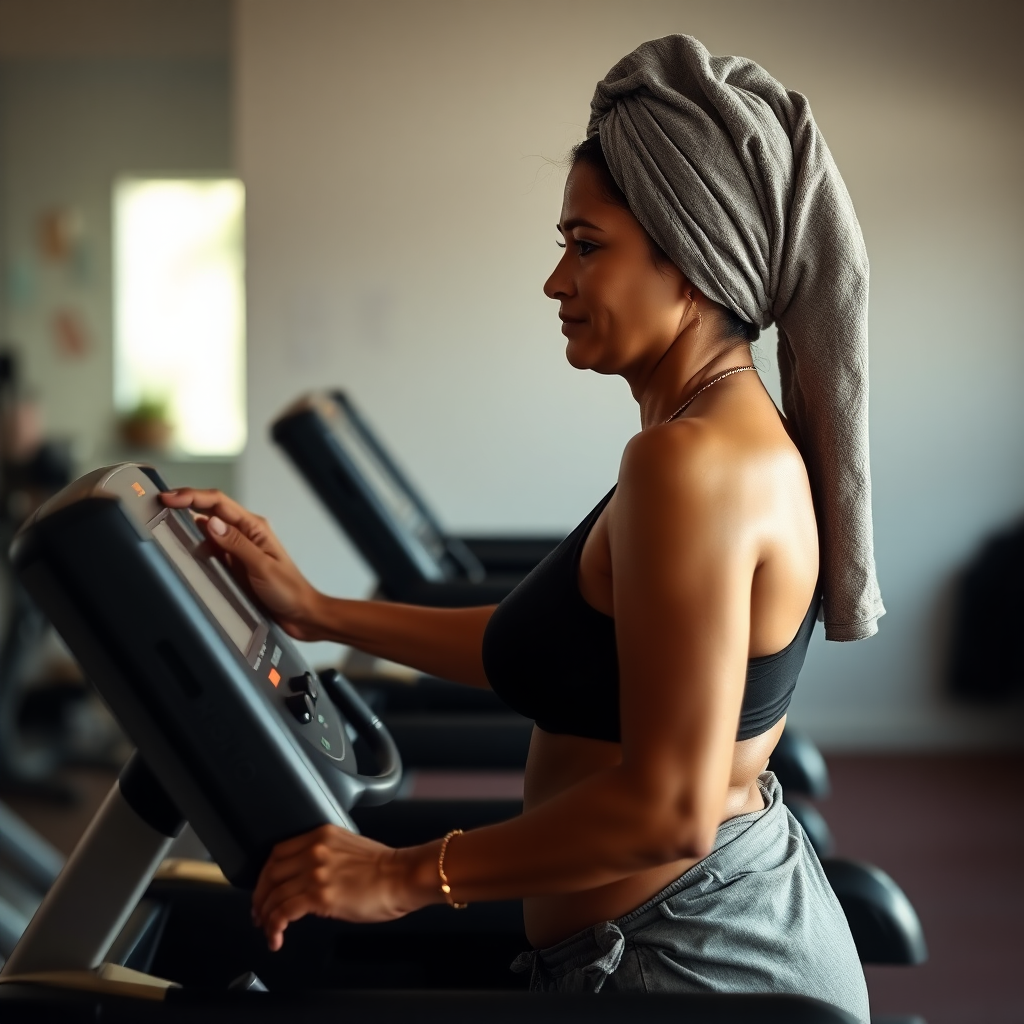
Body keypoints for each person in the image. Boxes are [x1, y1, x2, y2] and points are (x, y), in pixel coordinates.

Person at [163, 34, 880, 1021]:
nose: (557, 282)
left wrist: (404, 874)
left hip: (686, 967)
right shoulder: (708, 440)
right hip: (683, 934)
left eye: (586, 246)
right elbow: (549, 653)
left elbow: (667, 810)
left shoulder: (691, 464)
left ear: (692, 261)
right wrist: (320, 611)